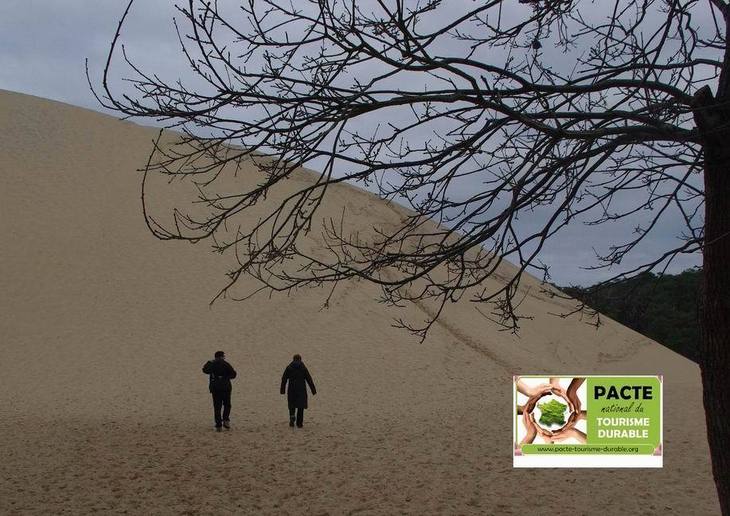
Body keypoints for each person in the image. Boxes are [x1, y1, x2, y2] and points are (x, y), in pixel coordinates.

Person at [202, 351, 237, 431]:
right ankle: (226, 420)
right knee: (227, 404)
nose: (224, 358)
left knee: (217, 406)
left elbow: (205, 370)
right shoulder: (226, 364)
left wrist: (209, 362)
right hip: (226, 387)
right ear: (221, 357)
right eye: (223, 356)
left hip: (215, 388)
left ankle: (218, 425)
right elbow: (234, 374)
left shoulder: (212, 364)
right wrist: (226, 377)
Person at [280, 354, 316, 428]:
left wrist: (282, 390)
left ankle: (292, 417)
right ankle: (299, 423)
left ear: (293, 359)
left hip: (291, 390)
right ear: (300, 359)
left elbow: (284, 379)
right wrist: (313, 390)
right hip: (301, 390)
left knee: (292, 405)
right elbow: (309, 379)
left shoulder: (289, 367)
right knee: (301, 407)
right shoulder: (303, 368)